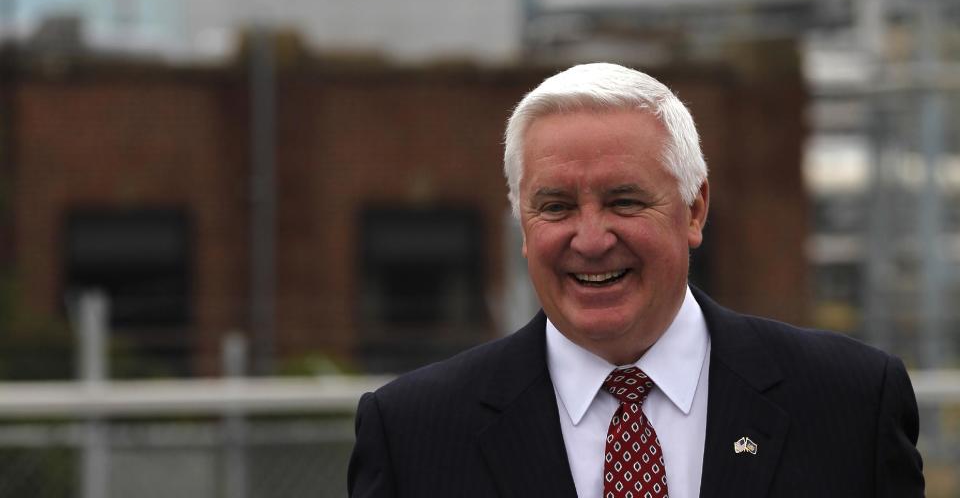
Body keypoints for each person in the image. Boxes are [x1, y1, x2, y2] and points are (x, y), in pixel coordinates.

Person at [348, 62, 924, 496]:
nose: (591, 239)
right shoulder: (411, 435)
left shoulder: (850, 404)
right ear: (521, 223)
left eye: (624, 201)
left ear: (694, 210)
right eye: (555, 207)